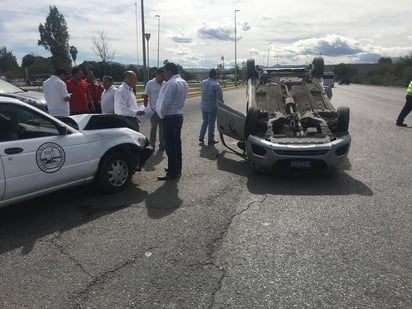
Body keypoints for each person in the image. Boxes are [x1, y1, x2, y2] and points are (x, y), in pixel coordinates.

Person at [156, 62, 189, 181]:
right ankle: (176, 167)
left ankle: (172, 172)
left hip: (169, 117)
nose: (163, 74)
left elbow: (165, 103)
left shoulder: (171, 84)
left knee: (170, 146)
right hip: (178, 116)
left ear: (169, 71)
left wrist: (162, 115)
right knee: (176, 145)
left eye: (165, 71)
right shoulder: (183, 82)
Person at [198, 69, 224, 146]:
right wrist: (222, 107)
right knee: (211, 123)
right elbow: (219, 98)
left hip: (203, 105)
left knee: (205, 121)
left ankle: (201, 137)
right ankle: (210, 139)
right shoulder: (216, 84)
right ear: (215, 75)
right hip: (212, 106)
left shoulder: (203, 82)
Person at [143, 68, 165, 150]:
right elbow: (145, 95)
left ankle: (162, 144)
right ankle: (152, 144)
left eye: (164, 76)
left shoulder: (165, 84)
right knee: (153, 128)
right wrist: (146, 107)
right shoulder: (150, 83)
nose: (163, 77)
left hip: (162, 110)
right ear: (157, 75)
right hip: (153, 110)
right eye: (161, 76)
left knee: (162, 128)